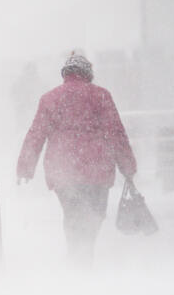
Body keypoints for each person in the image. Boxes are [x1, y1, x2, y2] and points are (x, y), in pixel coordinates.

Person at [17, 53, 137, 265]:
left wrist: (25, 168)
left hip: (63, 171)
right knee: (95, 216)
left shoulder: (50, 98)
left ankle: (76, 256)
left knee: (72, 213)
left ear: (66, 73)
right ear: (88, 73)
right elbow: (116, 132)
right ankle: (83, 256)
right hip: (97, 171)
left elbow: (36, 134)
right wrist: (127, 166)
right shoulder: (101, 96)